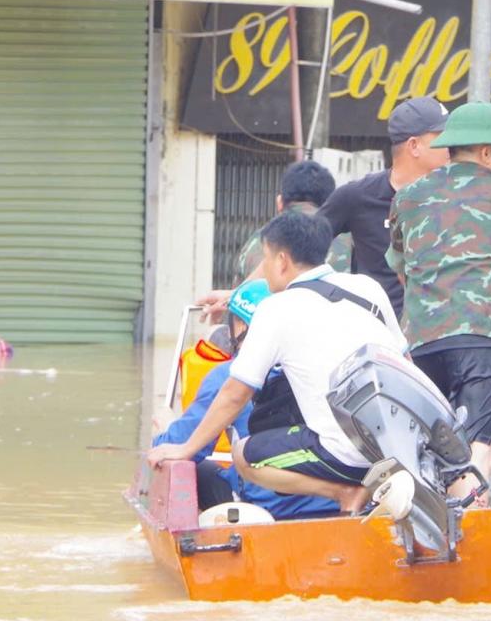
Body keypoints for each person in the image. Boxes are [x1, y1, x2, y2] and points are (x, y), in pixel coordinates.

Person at [149, 210, 406, 512]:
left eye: (266, 260)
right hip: (395, 446)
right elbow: (404, 363)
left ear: (282, 261)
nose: (265, 270)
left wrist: (182, 447)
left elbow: (235, 394)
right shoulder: (368, 288)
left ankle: (343, 493)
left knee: (242, 455)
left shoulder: (275, 311)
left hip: (340, 460)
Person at [386, 101, 491, 494]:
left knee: (434, 448)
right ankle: (469, 528)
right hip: (481, 341)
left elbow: (402, 268)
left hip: (421, 347)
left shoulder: (407, 198)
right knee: (480, 448)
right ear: (487, 151)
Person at [150, 279, 336, 519]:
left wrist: (165, 427)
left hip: (266, 508)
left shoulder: (230, 376)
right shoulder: (328, 364)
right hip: (334, 496)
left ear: (238, 324)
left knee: (186, 464)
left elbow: (181, 447)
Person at [318, 95, 451, 320]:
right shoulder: (357, 196)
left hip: (437, 335)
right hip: (377, 336)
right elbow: (295, 246)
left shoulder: (454, 198)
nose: (452, 146)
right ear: (414, 146)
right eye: (443, 137)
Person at [235, 158, 350, 276]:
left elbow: (239, 292)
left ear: (279, 202)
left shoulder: (259, 241)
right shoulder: (351, 242)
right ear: (331, 202)